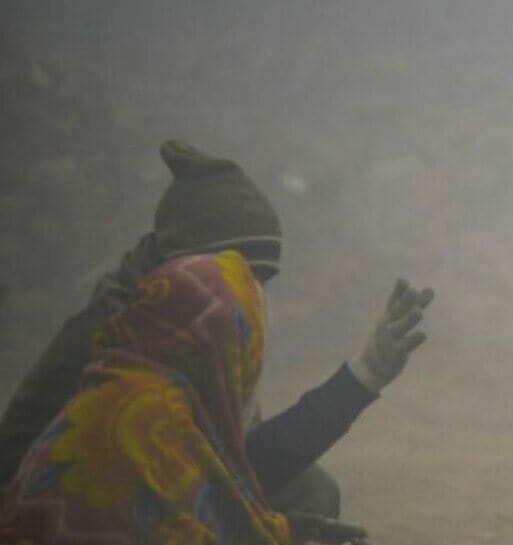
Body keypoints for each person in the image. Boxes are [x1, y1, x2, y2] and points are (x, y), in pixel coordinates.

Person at [0, 252, 375, 545]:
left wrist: (287, 532)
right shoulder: (152, 423)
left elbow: (194, 520)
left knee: (296, 534)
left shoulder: (123, 387)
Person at [0, 140, 428, 519]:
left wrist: (364, 375)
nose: (248, 297)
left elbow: (242, 462)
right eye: (234, 278)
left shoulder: (205, 327)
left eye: (258, 282)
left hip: (156, 514)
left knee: (308, 491)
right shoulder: (115, 341)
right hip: (74, 537)